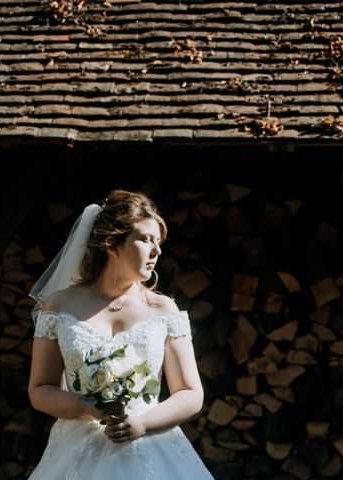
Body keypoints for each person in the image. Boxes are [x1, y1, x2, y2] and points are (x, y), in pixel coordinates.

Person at [27, 189, 215, 479]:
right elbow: (40, 389)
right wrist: (85, 406)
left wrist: (142, 424)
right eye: (145, 239)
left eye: (158, 241)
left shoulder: (164, 310)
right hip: (78, 448)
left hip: (152, 446)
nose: (157, 251)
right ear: (112, 245)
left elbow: (190, 394)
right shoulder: (61, 306)